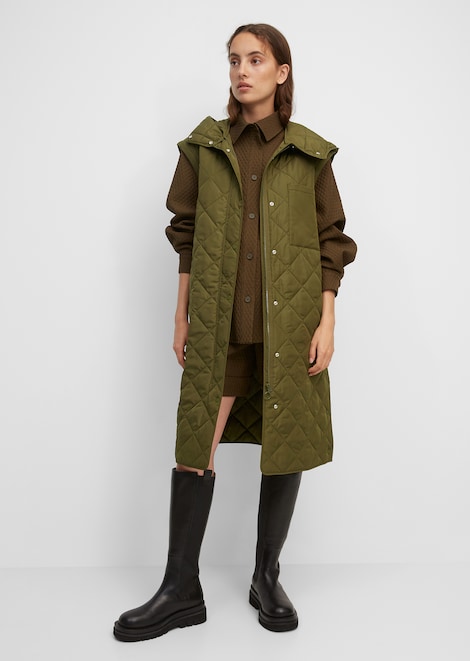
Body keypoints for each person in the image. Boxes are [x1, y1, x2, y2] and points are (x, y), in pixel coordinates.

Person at [113, 23, 357, 641]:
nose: (242, 71)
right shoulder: (204, 147)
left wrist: (327, 319)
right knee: (195, 444)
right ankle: (180, 589)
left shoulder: (309, 154)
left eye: (255, 60)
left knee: (287, 446)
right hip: (218, 325)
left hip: (289, 329)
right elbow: (186, 233)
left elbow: (331, 242)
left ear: (281, 72)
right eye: (233, 61)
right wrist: (181, 314)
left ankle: (266, 577)